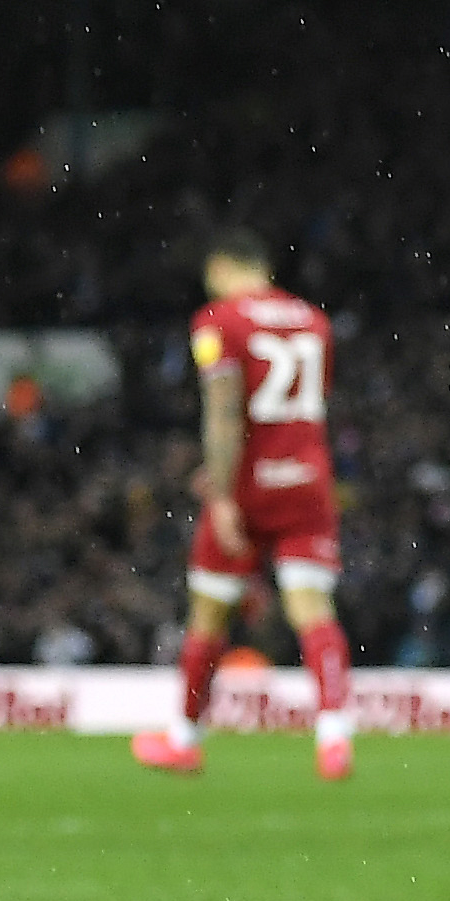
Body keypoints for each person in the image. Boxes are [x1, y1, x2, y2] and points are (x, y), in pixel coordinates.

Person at [133, 231, 356, 781]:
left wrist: (225, 493)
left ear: (223, 266)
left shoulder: (219, 320)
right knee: (312, 608)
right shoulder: (313, 321)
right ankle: (333, 736)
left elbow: (225, 410)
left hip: (250, 482)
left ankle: (185, 738)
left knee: (209, 611)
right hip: (307, 478)